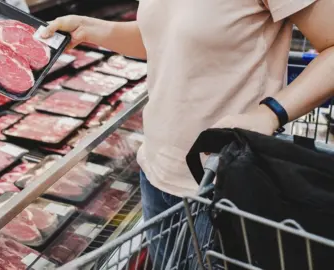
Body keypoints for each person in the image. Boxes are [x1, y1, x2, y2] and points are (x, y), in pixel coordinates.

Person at [42, 0, 334, 268]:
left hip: (221, 187)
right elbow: (165, 40)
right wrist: (92, 28)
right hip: (156, 173)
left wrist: (268, 113)